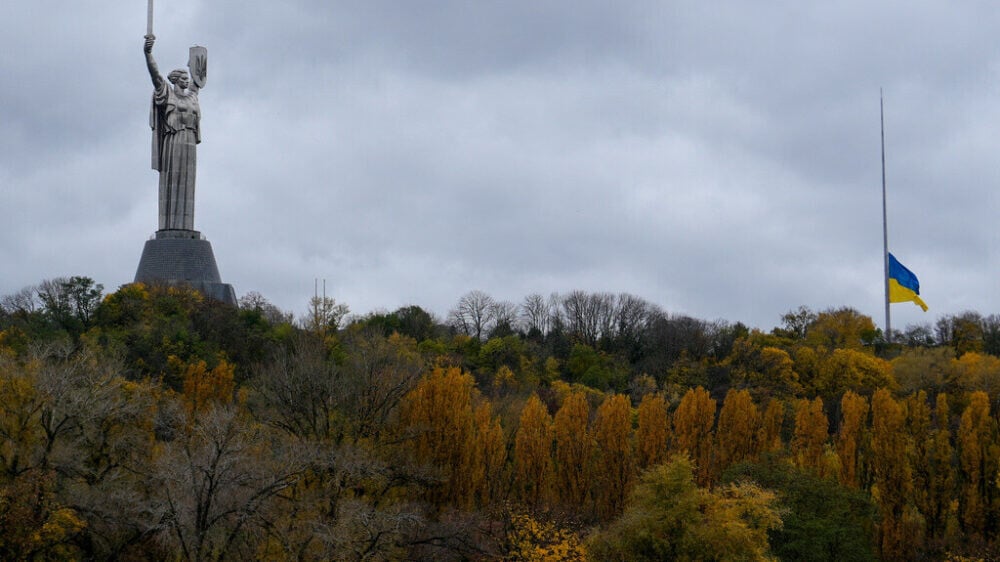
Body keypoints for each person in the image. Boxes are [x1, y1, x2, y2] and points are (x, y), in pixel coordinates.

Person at [144, 35, 201, 231]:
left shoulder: (192, 97)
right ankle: (169, 226)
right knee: (173, 181)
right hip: (173, 141)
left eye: (188, 77)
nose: (187, 80)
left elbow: (199, 78)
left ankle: (186, 227)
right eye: (184, 77)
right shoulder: (166, 93)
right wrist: (148, 53)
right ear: (176, 79)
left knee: (188, 183)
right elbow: (155, 75)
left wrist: (197, 62)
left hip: (190, 143)